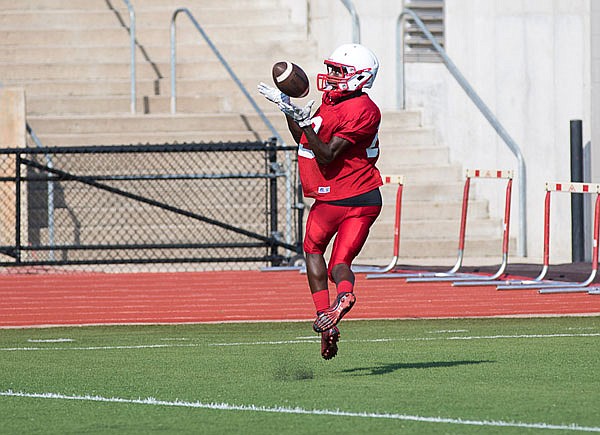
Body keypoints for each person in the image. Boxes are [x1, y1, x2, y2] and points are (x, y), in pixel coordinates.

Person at [258, 43, 383, 360]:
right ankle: (343, 298)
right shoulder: (335, 101)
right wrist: (290, 110)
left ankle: (324, 318)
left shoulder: (363, 110)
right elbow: (306, 138)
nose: (331, 76)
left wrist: (301, 118)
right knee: (340, 265)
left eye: (339, 72)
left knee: (313, 248)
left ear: (360, 77)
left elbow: (325, 155)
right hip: (366, 198)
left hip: (339, 196)